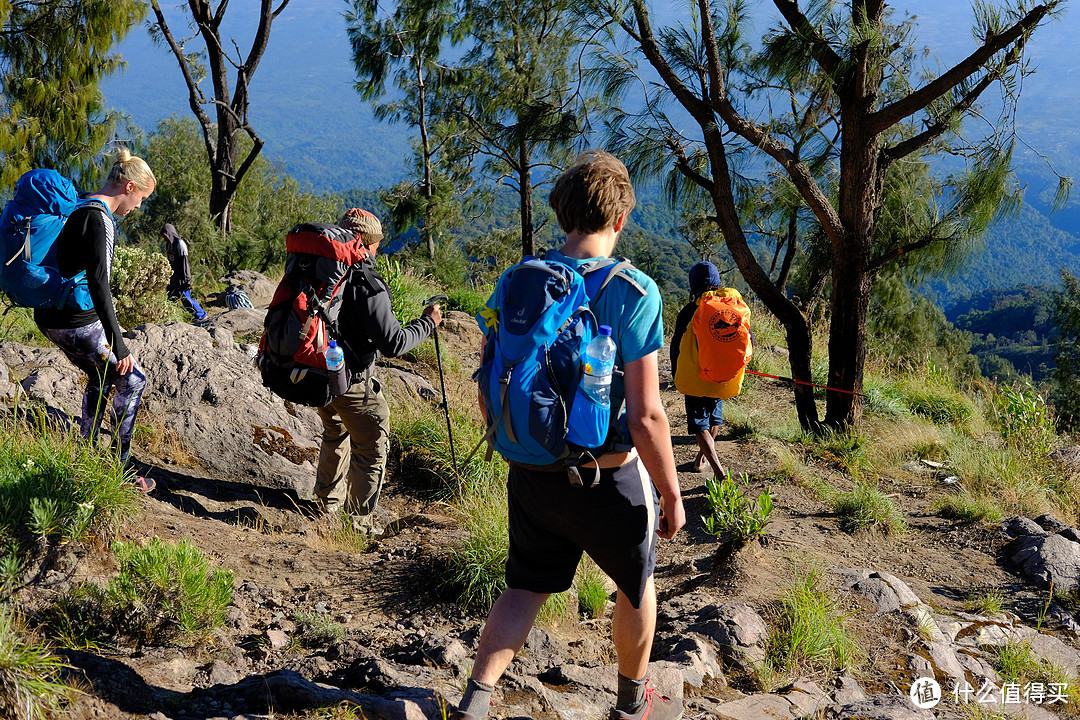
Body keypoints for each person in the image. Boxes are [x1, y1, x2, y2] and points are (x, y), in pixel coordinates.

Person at [457, 150, 686, 720]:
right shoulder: (636, 292)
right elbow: (646, 416)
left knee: (524, 589)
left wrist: (513, 440)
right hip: (606, 477)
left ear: (563, 214)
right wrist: (672, 491)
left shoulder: (517, 281)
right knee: (637, 587)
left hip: (531, 471)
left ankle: (474, 703)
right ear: (621, 218)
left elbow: (487, 379)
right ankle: (632, 707)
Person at [34, 147, 157, 492]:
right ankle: (118, 471)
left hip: (50, 314)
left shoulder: (82, 203)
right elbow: (100, 284)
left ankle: (85, 457)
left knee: (100, 375)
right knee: (132, 379)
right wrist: (120, 345)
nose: (139, 206)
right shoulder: (100, 218)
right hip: (73, 320)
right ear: (129, 188)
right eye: (142, 198)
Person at [314, 208, 442, 533]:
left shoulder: (323, 271)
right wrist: (428, 323)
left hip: (320, 373)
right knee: (372, 445)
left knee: (335, 431)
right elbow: (394, 343)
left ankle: (326, 505)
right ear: (371, 244)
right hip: (351, 381)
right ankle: (357, 525)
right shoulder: (367, 283)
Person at [670, 261, 727, 479]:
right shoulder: (726, 309)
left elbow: (676, 347)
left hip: (695, 377)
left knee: (699, 425)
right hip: (720, 374)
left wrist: (677, 375)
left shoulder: (688, 311)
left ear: (693, 285)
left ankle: (719, 471)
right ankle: (701, 459)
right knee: (713, 419)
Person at [162, 223, 207, 320]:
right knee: (171, 300)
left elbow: (184, 263)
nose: (164, 238)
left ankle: (201, 315)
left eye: (166, 236)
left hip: (182, 279)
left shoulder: (180, 244)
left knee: (186, 299)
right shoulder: (168, 245)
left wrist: (187, 280)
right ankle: (174, 319)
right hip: (173, 279)